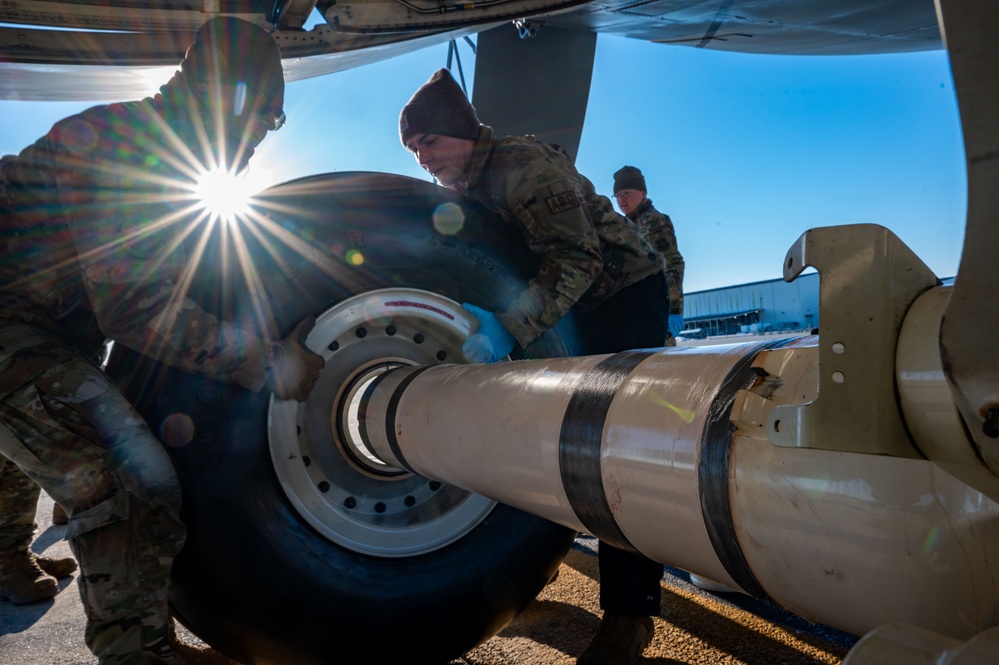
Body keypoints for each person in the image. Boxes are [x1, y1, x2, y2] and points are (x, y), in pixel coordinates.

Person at [0, 16, 324, 665]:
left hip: (40, 324)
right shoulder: (126, 149)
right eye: (264, 116)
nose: (262, 136)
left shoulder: (160, 150)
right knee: (125, 476)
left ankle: (4, 560)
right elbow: (136, 309)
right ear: (225, 96)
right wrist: (268, 363)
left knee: (26, 442)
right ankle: (135, 651)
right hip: (13, 326)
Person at [400, 67, 666, 665]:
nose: (424, 159)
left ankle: (630, 616)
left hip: (620, 296)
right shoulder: (474, 184)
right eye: (415, 151)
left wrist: (509, 327)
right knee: (545, 438)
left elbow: (581, 257)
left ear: (459, 132)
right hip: (568, 303)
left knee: (618, 444)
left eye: (429, 143)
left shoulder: (524, 170)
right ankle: (534, 564)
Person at [613, 166, 685, 346]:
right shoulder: (631, 224)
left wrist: (674, 309)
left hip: (655, 311)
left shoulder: (652, 221)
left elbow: (672, 262)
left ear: (643, 193)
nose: (622, 199)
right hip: (642, 311)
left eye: (627, 192)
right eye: (618, 195)